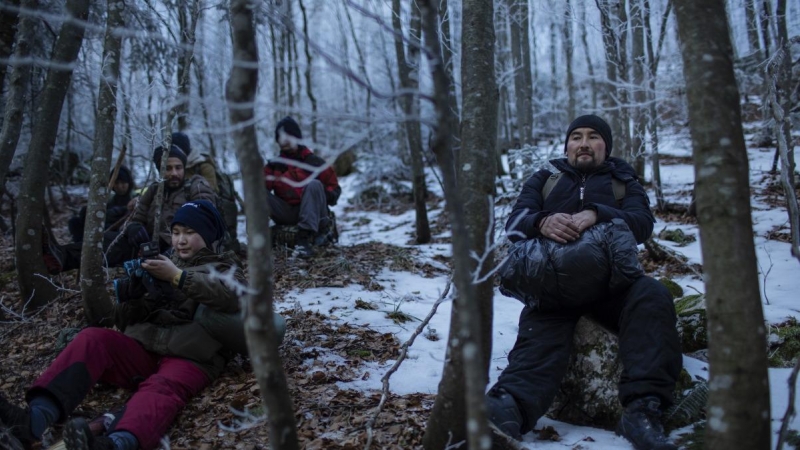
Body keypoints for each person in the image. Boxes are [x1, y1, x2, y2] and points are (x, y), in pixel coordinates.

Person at [0, 200, 287, 450]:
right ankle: (35, 419)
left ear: (209, 235)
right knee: (93, 339)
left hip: (191, 358)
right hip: (146, 350)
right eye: (176, 233)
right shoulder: (162, 263)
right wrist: (138, 294)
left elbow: (230, 297)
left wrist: (177, 278)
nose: (181, 240)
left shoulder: (227, 268)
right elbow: (123, 321)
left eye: (190, 233)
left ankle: (116, 443)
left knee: (162, 388)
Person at [487, 115, 682, 450]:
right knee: (538, 338)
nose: (584, 143)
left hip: (614, 287)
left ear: (605, 146)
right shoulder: (546, 178)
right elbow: (515, 223)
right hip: (554, 290)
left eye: (593, 137)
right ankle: (508, 408)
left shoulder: (624, 181)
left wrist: (597, 212)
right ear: (567, 146)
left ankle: (642, 411)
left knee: (652, 295)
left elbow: (642, 223)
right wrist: (543, 221)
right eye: (576, 137)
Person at [43, 146, 217, 274]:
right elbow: (137, 216)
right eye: (167, 168)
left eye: (178, 168)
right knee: (110, 241)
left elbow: (205, 212)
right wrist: (134, 227)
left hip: (181, 248)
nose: (174, 173)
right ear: (159, 170)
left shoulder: (195, 185)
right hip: (147, 245)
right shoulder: (154, 190)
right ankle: (61, 257)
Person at [263, 116, 341, 257]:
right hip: (288, 213)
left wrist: (320, 194)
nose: (284, 140)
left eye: (289, 136)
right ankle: (258, 240)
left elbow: (335, 190)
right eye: (280, 137)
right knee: (257, 193)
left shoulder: (314, 162)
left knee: (314, 185)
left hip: (316, 214)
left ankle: (303, 240)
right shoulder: (273, 166)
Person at [67, 166, 136, 243]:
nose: (119, 186)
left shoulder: (134, 198)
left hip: (117, 232)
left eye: (123, 183)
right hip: (104, 226)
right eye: (116, 183)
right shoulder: (110, 199)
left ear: (129, 183)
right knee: (75, 221)